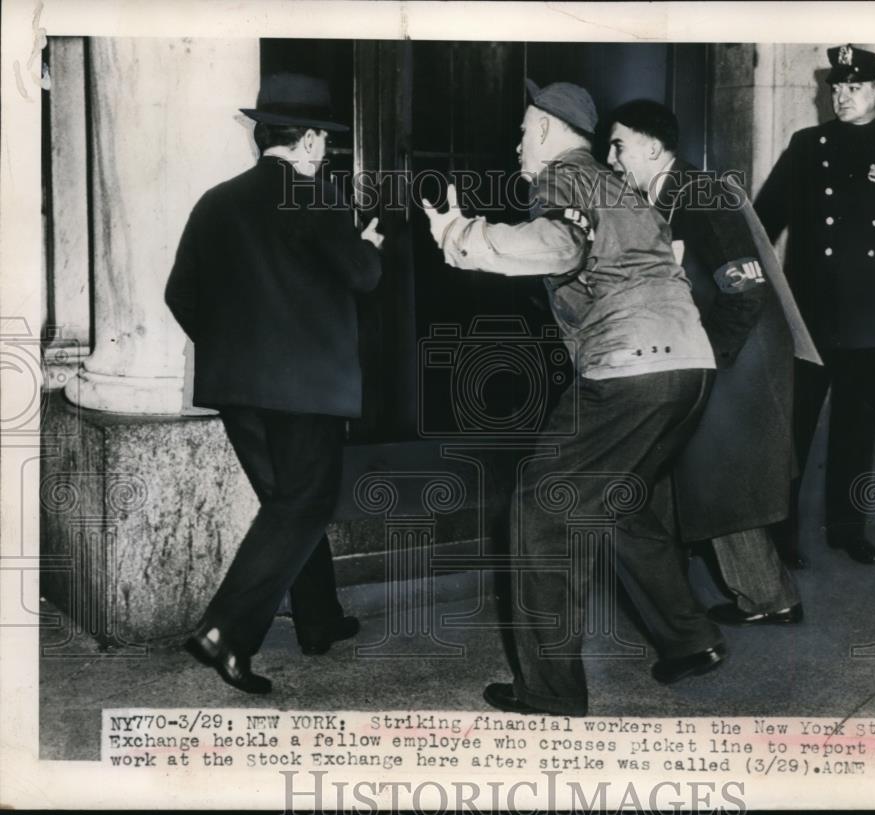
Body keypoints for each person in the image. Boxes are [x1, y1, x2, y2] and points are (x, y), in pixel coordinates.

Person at [423, 80, 725, 717]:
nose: (516, 144)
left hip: (629, 367)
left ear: (543, 132)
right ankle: (689, 640)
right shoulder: (619, 183)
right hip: (690, 364)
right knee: (617, 500)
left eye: (522, 131)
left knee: (541, 506)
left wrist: (465, 237)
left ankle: (550, 692)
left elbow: (561, 243)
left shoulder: (562, 177)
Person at [165, 73, 384, 694]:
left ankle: (319, 619)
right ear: (311, 140)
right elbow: (363, 277)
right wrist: (368, 244)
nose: (326, 153)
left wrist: (235, 350)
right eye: (326, 142)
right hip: (307, 392)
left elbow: (179, 293)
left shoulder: (215, 201)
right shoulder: (314, 198)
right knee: (304, 503)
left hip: (237, 390)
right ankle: (226, 631)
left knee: (287, 505)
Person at [605, 99, 819, 624]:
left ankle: (762, 597)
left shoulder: (700, 194)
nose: (610, 159)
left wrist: (710, 361)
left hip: (735, 355)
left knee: (720, 475)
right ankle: (760, 595)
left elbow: (744, 289)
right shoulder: (659, 196)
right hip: (704, 351)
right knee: (707, 475)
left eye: (618, 146)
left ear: (652, 148)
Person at [755, 45, 875, 565]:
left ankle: (845, 528)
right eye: (836, 88)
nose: (841, 96)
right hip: (810, 317)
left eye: (853, 88)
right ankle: (780, 535)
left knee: (856, 430)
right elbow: (764, 218)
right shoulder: (806, 144)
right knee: (792, 430)